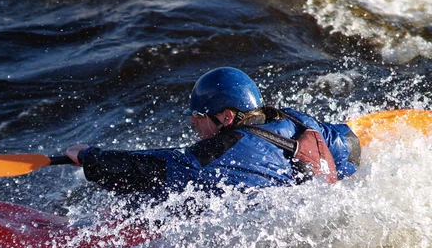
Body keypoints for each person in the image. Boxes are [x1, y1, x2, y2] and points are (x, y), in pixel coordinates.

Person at [65, 67, 360, 200]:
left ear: (225, 117)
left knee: (151, 197)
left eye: (198, 116)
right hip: (311, 211)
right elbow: (346, 143)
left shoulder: (216, 155)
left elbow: (146, 168)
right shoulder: (295, 119)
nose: (192, 123)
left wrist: (90, 157)